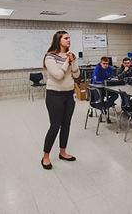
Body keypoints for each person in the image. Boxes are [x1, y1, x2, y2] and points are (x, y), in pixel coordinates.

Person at [41, 30, 80, 170]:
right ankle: (46, 156)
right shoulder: (50, 57)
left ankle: (63, 152)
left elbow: (76, 74)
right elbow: (58, 76)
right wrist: (66, 62)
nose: (69, 40)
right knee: (55, 125)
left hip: (69, 95)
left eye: (69, 38)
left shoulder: (70, 56)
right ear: (59, 40)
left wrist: (73, 61)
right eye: (66, 38)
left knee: (66, 124)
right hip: (54, 95)